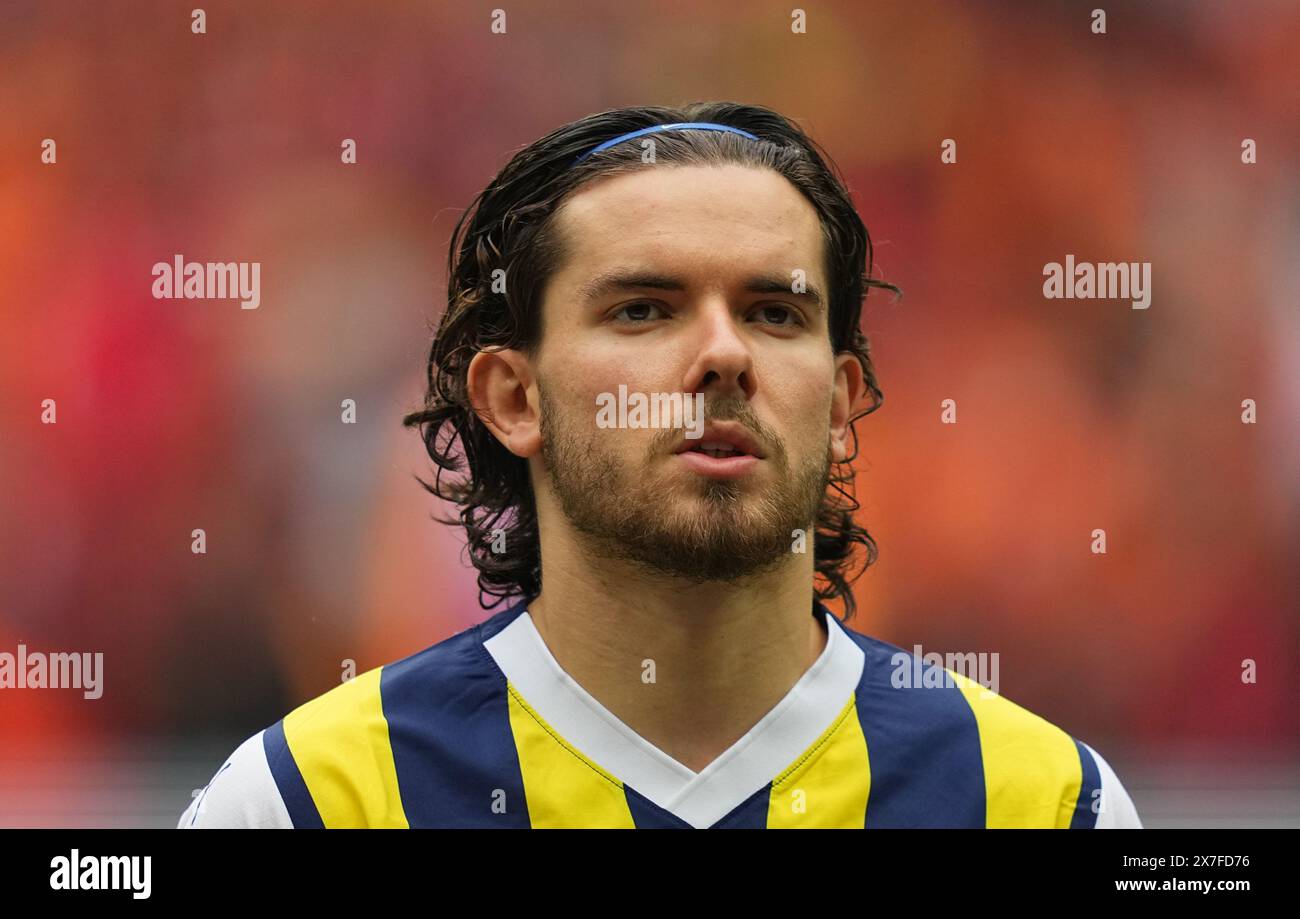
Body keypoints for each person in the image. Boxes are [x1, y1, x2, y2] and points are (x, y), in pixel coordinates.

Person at [179, 102, 1142, 828]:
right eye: (643, 308)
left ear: (844, 401)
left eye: (776, 312)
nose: (725, 353)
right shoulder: (311, 803)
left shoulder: (1041, 803)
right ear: (515, 399)